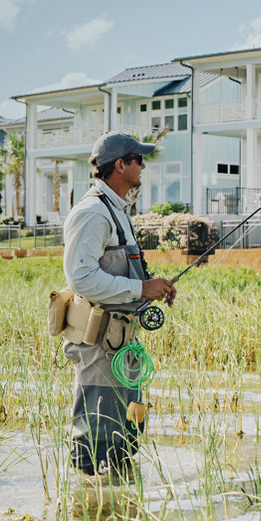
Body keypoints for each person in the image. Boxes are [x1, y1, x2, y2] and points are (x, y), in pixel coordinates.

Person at [62, 132, 176, 476]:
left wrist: (151, 288)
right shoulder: (93, 213)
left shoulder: (116, 210)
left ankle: (120, 501)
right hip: (99, 347)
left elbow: (117, 270)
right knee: (95, 441)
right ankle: (88, 503)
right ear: (120, 165)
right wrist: (140, 288)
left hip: (123, 346)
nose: (144, 166)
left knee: (126, 440)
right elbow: (81, 279)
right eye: (138, 159)